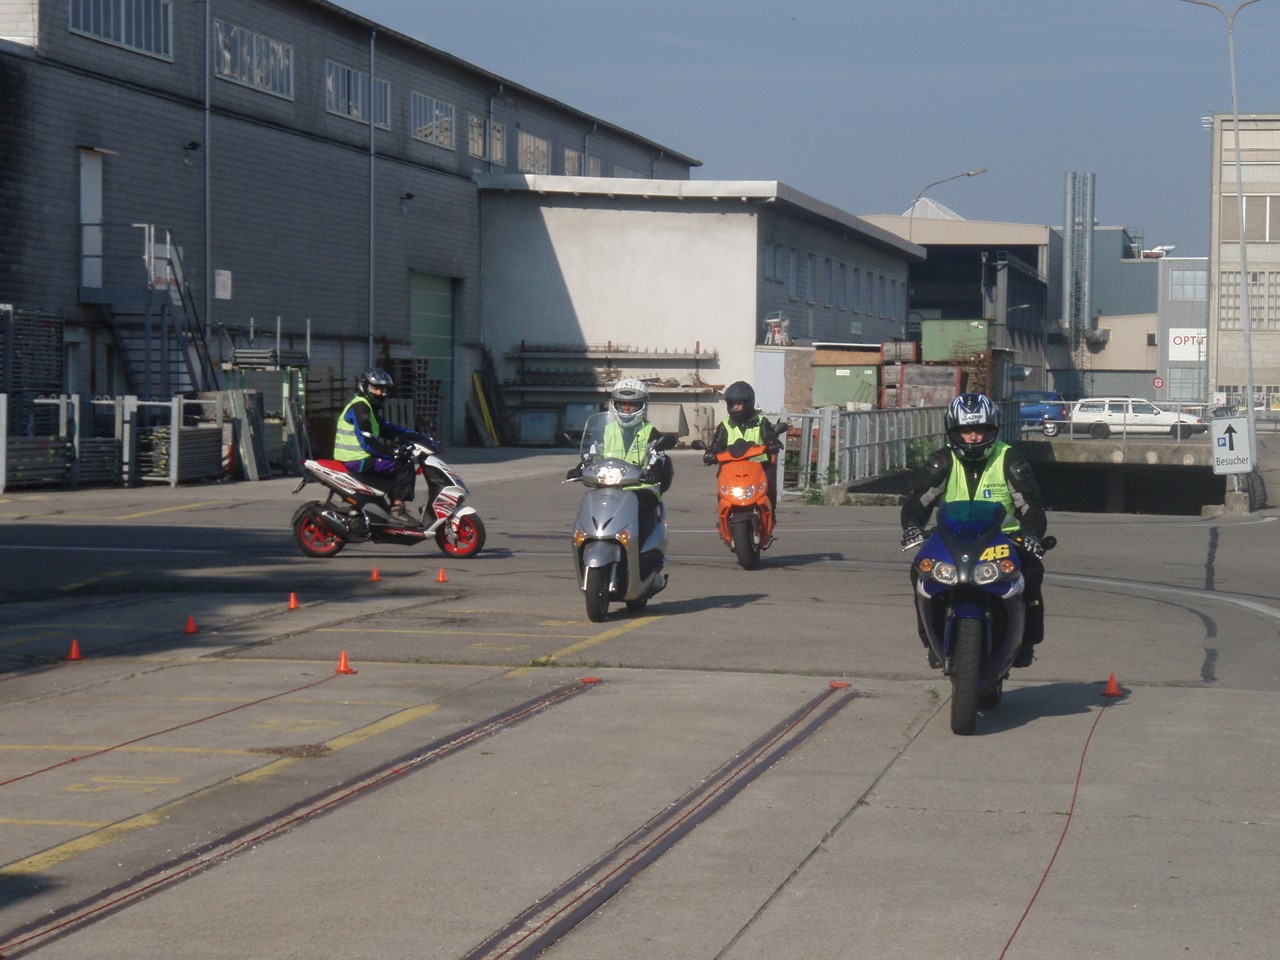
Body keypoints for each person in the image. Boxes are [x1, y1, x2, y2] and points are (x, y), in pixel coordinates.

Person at [900, 392, 1048, 667]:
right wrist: (912, 526)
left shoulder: (1009, 459)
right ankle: (931, 642)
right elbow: (919, 500)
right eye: (965, 430)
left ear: (992, 429)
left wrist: (1031, 535)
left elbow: (1031, 505)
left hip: (1002, 540)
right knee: (919, 571)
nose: (973, 437)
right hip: (951, 538)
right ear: (953, 431)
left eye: (979, 429)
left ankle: (1027, 642)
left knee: (1032, 571)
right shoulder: (941, 461)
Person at [571, 379, 673, 545]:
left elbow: (658, 455)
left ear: (643, 405)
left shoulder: (650, 432)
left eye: (632, 405)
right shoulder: (607, 430)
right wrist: (580, 467)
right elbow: (593, 453)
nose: (627, 408)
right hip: (609, 486)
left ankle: (641, 550)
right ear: (614, 405)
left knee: (640, 513)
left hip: (640, 488)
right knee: (589, 506)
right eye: (622, 404)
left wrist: (654, 471)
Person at [333, 367, 437, 524]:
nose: (381, 393)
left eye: (384, 389)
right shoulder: (360, 407)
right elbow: (368, 443)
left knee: (398, 463)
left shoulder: (368, 408)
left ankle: (381, 510)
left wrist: (416, 436)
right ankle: (397, 510)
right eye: (376, 388)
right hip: (357, 459)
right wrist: (393, 452)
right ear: (365, 387)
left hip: (359, 457)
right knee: (404, 464)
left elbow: (387, 429)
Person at [702, 380, 782, 515]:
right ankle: (723, 516)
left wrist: (773, 442)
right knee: (723, 489)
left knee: (770, 484)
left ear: (748, 403)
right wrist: (710, 453)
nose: (735, 408)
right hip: (731, 469)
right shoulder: (725, 425)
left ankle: (770, 514)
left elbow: (770, 437)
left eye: (738, 404)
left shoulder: (761, 422)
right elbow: (716, 445)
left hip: (759, 466)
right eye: (732, 404)